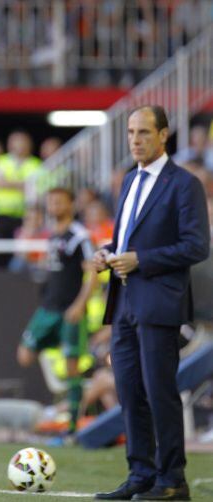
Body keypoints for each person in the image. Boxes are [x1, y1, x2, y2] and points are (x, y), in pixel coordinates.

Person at [93, 106, 210, 501]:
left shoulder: (184, 184)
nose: (135, 140)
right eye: (130, 132)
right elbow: (127, 239)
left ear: (163, 135)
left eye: (144, 132)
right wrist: (107, 253)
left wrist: (142, 260)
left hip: (159, 302)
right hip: (124, 299)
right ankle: (140, 474)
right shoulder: (129, 181)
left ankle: (172, 480)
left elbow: (197, 246)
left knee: (159, 391)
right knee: (128, 390)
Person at [16, 188, 97, 436]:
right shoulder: (52, 236)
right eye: (51, 202)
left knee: (72, 369)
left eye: (59, 202)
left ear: (71, 205)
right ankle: (56, 342)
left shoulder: (79, 236)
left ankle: (72, 425)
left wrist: (79, 305)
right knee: (25, 355)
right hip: (48, 308)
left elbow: (92, 272)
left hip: (69, 310)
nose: (54, 206)